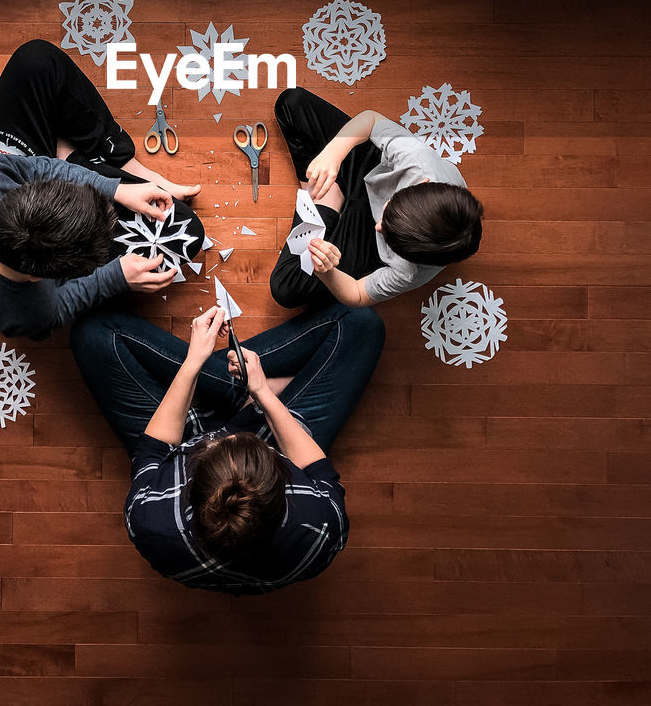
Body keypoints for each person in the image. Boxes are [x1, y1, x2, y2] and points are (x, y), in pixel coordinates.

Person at [71, 301, 385, 593]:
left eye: (221, 441)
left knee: (95, 335)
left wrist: (193, 363)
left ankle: (221, 385)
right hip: (270, 419)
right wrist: (262, 394)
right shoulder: (320, 527)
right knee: (361, 324)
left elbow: (154, 448)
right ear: (284, 481)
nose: (226, 432)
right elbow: (316, 467)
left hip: (184, 431)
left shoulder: (150, 519)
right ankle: (235, 390)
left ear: (191, 480)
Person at [0, 39, 204, 339]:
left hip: (12, 166)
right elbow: (59, 308)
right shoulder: (24, 313)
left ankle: (105, 161)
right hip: (33, 251)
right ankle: (75, 153)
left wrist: (116, 190)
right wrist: (115, 277)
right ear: (42, 277)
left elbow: (40, 168)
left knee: (36, 60)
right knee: (187, 234)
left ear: (24, 193)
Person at [270, 86, 484, 309]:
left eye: (391, 239)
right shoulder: (417, 161)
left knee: (285, 288)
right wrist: (333, 153)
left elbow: (357, 294)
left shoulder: (411, 272)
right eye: (390, 210)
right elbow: (370, 120)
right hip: (372, 169)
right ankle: (323, 192)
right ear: (421, 184)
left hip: (364, 238)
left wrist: (327, 271)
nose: (379, 227)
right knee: (291, 103)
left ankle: (322, 199)